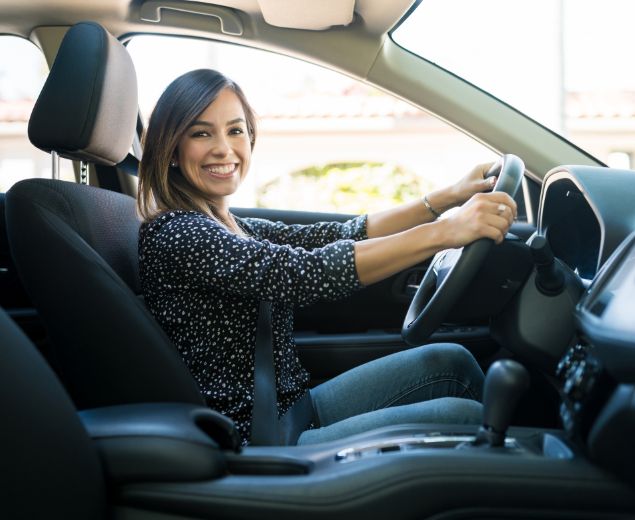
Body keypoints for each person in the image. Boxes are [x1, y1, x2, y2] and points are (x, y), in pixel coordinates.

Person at [137, 69, 517, 446]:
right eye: (202, 133)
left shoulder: (227, 223)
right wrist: (447, 232)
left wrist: (448, 197)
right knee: (465, 419)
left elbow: (335, 235)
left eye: (235, 130)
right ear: (172, 149)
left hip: (291, 409)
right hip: (259, 439)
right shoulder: (180, 233)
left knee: (452, 364)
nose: (224, 147)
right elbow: (304, 273)